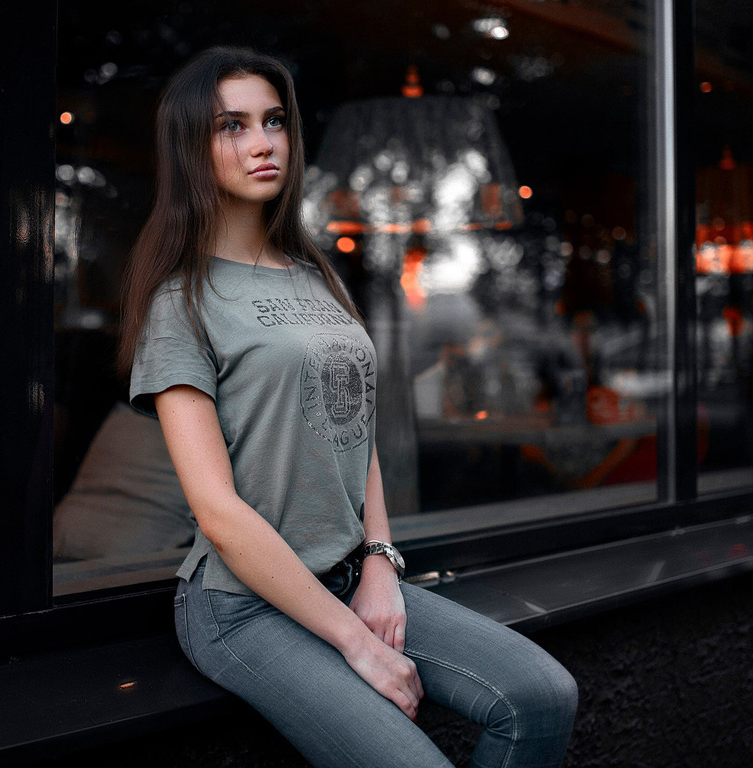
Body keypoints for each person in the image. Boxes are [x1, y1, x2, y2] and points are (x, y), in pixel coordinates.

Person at [120, 46, 577, 768]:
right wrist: (358, 643)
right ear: (189, 148)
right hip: (241, 606)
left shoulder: (316, 275)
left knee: (542, 696)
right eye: (231, 126)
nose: (264, 142)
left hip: (345, 573)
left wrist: (379, 566)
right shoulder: (182, 301)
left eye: (273, 121)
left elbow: (353, 430)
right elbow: (217, 513)